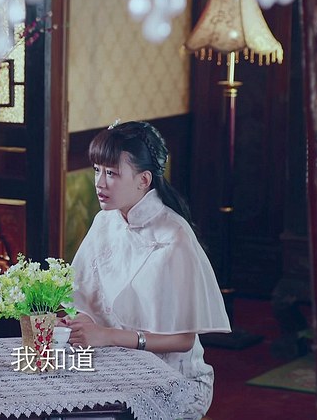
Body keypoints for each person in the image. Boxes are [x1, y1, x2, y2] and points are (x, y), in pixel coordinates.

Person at [64, 120, 231, 420]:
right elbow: (85, 300)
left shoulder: (174, 236)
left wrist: (108, 336)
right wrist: (80, 326)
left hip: (173, 379)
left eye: (112, 173)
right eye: (97, 170)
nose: (100, 183)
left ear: (144, 179)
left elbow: (183, 341)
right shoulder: (105, 221)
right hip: (113, 365)